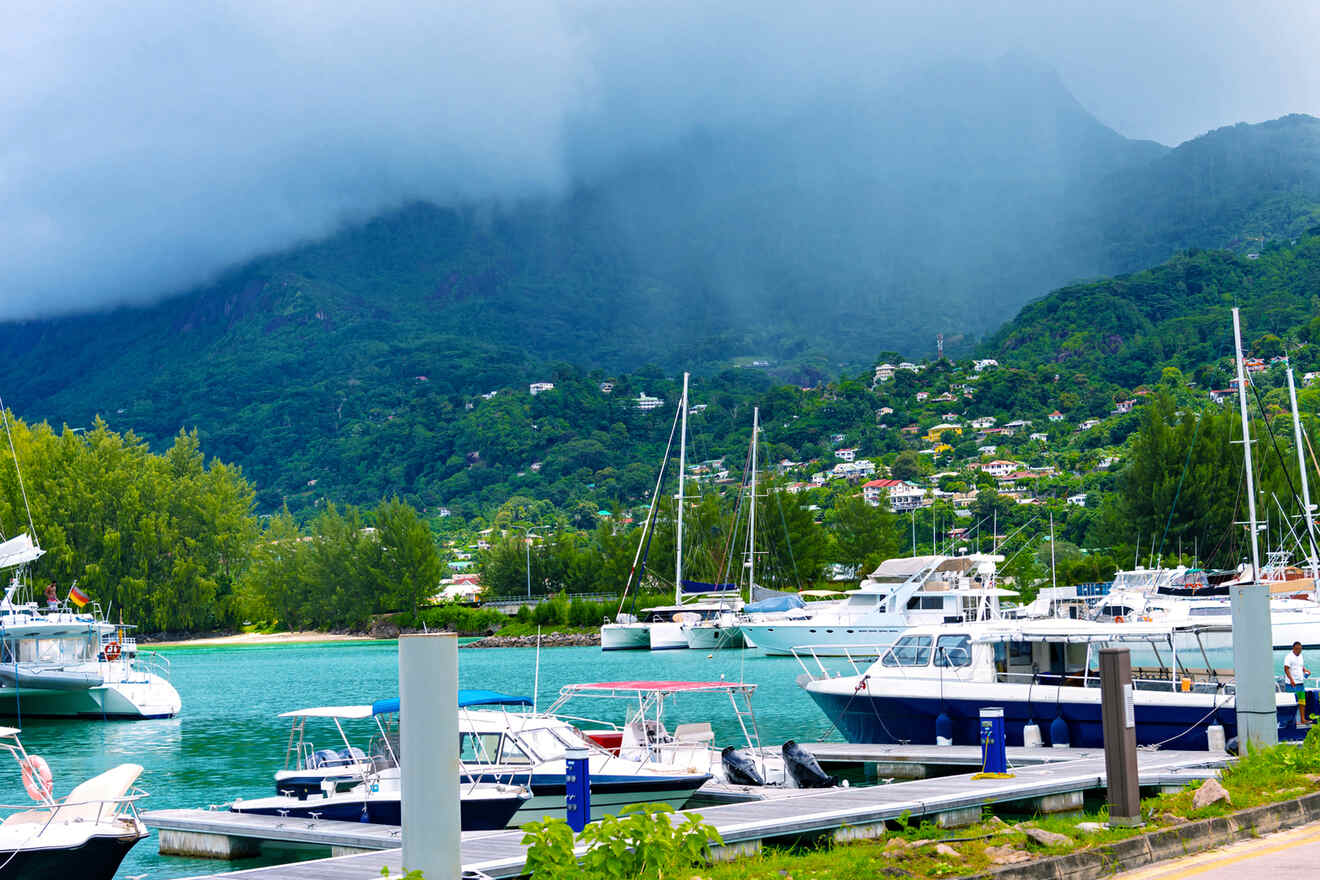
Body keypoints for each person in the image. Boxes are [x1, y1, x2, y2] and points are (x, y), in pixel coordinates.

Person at [1285, 641, 1311, 724]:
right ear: (1293, 648)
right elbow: (1286, 669)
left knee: (1302, 702)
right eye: (1297, 649)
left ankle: (1302, 719)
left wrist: (1305, 670)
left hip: (1300, 683)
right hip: (1292, 684)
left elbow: (1301, 666)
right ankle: (1293, 721)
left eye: (1300, 649)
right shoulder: (1289, 657)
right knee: (1292, 703)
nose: (1299, 651)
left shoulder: (1301, 656)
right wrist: (1291, 680)